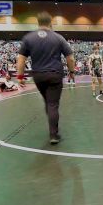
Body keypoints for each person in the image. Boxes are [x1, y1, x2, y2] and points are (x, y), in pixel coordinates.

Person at [17, 11, 75, 144]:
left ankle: (53, 130)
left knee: (48, 103)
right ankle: (53, 135)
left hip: (38, 75)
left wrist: (20, 76)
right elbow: (70, 57)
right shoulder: (58, 37)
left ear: (38, 23)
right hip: (54, 74)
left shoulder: (28, 38)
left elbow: (20, 59)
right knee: (53, 104)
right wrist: (72, 72)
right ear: (50, 23)